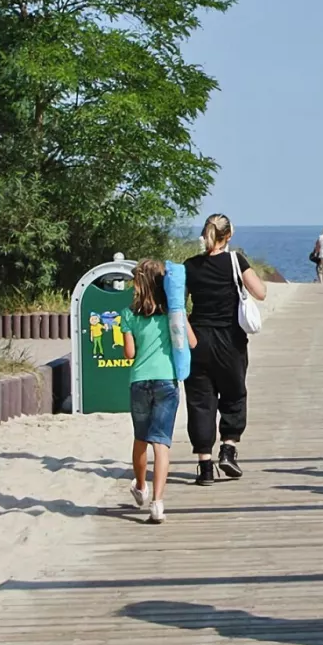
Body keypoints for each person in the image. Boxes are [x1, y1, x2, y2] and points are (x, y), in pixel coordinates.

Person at [184, 214, 269, 485]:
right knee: (233, 394)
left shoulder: (190, 265)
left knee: (200, 401)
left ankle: (205, 466)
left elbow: (176, 305)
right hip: (230, 340)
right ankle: (228, 450)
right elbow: (261, 292)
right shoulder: (235, 260)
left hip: (198, 339)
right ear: (228, 235)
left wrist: (189, 337)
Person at [124, 259, 195, 524]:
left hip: (140, 381)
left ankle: (140, 487)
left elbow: (130, 353)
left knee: (140, 438)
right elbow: (192, 341)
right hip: (167, 381)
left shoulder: (128, 314)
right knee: (161, 442)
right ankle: (158, 503)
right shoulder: (173, 313)